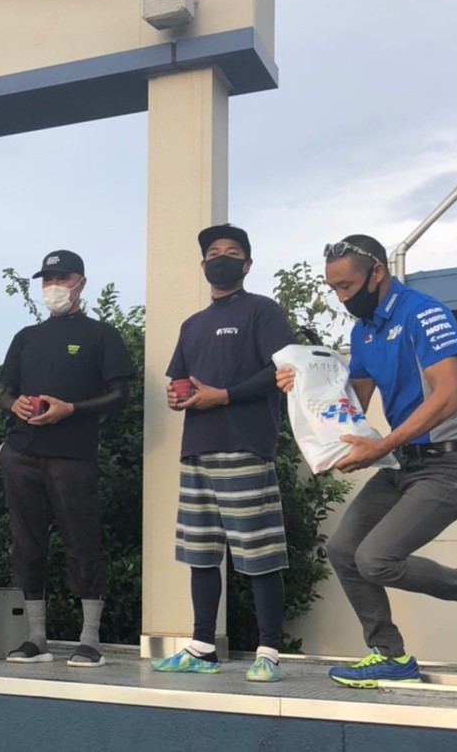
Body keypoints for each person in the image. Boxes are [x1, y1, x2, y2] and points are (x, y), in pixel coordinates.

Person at [277, 235, 457, 688]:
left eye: (346, 286)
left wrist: (381, 448)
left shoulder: (423, 311)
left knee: (377, 559)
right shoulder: (362, 332)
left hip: (450, 461)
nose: (341, 297)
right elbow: (350, 407)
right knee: (344, 551)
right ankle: (391, 656)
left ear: (377, 272)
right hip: (403, 462)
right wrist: (300, 384)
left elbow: (450, 395)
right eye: (333, 289)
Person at [151, 224, 294, 683]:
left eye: (232, 252)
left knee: (260, 553)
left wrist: (224, 396)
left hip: (245, 445)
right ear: (203, 265)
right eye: (214, 253)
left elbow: (282, 370)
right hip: (197, 449)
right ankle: (201, 646)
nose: (222, 258)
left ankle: (268, 652)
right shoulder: (192, 324)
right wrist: (178, 397)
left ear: (247, 265)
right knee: (201, 552)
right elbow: (180, 380)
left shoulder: (262, 310)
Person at [0, 250, 135, 667]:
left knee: (82, 542)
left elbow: (121, 396)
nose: (53, 286)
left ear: (81, 283)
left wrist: (71, 409)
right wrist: (15, 405)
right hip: (22, 453)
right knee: (27, 544)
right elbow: (4, 393)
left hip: (74, 456)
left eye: (61, 277)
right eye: (47, 279)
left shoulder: (102, 335)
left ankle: (89, 639)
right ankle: (36, 638)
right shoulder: (25, 337)